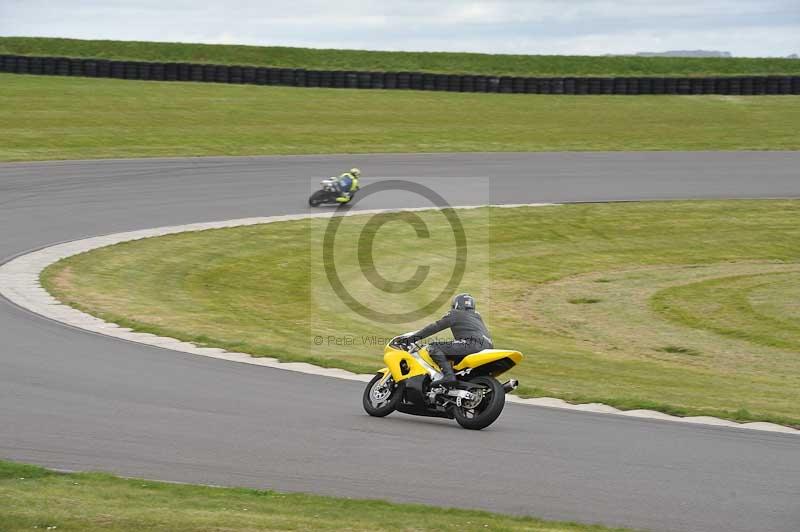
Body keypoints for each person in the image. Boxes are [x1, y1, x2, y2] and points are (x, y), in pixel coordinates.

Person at [399, 293, 493, 387]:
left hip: (471, 344)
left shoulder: (455, 313)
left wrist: (411, 339)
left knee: (434, 347)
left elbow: (434, 327)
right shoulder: (477, 317)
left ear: (457, 305)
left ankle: (449, 376)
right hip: (488, 347)